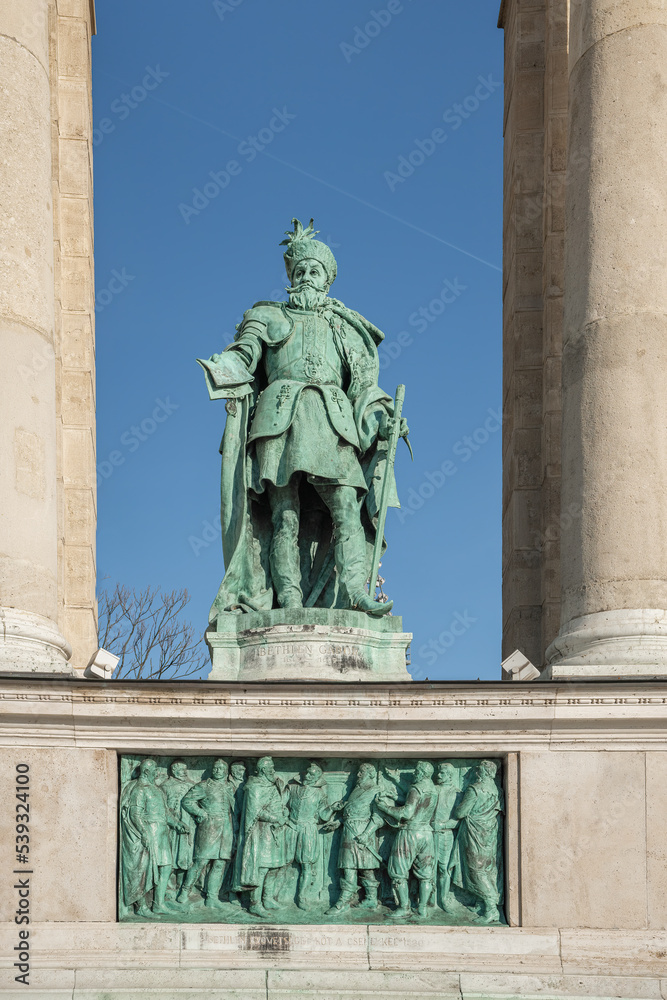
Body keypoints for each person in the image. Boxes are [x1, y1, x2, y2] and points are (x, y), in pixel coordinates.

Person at [200, 217, 409, 621]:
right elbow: (244, 355)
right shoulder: (266, 315)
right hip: (278, 419)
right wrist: (223, 368)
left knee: (347, 505)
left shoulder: (345, 327)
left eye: (315, 272)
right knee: (284, 516)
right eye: (300, 272)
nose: (307, 278)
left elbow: (364, 386)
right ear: (291, 277)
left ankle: (354, 593)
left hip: (334, 422)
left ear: (327, 280)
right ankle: (290, 602)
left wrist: (383, 419)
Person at [120, 758, 187, 916]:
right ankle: (141, 906)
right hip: (149, 832)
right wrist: (143, 833)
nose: (158, 772)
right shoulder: (140, 789)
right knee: (144, 870)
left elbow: (165, 813)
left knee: (166, 867)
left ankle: (159, 904)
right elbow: (135, 814)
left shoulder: (156, 789)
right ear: (146, 772)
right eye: (155, 769)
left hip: (162, 833)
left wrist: (177, 824)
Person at [377, 760, 438, 918]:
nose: (414, 773)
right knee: (426, 874)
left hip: (410, 832)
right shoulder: (433, 789)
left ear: (423, 773)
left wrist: (384, 807)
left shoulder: (415, 788)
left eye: (417, 770)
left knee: (398, 871)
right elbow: (417, 801)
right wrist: (395, 784)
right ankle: (422, 908)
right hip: (426, 833)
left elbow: (407, 813)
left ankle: (404, 908)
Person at [232, 756, 290, 917]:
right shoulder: (254, 787)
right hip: (260, 833)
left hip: (274, 833)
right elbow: (255, 811)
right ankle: (254, 903)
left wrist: (283, 811)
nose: (273, 769)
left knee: (274, 867)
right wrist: (275, 818)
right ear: (263, 770)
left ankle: (268, 898)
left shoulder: (272, 785)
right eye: (270, 767)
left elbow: (277, 804)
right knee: (261, 869)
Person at [177, 759, 236, 909]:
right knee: (201, 862)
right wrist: (200, 812)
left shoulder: (231, 787)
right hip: (209, 828)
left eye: (221, 768)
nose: (218, 771)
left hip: (227, 829)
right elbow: (187, 801)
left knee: (219, 864)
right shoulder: (204, 786)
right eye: (215, 768)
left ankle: (212, 897)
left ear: (226, 771)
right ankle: (185, 891)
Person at [327, 762, 384, 914]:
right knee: (348, 866)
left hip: (363, 833)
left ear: (371, 774)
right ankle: (344, 901)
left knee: (366, 869)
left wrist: (366, 834)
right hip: (349, 832)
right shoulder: (356, 789)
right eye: (358, 772)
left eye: (361, 772)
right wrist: (337, 823)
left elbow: (378, 817)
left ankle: (371, 899)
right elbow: (350, 812)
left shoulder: (375, 790)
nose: (358, 775)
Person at [451, 760, 504, 923]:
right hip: (489, 833)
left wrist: (457, 800)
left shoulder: (475, 789)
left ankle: (491, 908)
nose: (474, 773)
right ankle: (481, 902)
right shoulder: (497, 789)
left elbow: (461, 812)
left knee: (476, 870)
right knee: (487, 868)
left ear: (485, 772)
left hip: (475, 833)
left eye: (478, 770)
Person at [286, 762, 338, 910]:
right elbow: (281, 806)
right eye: (307, 772)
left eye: (312, 775)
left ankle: (302, 897)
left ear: (317, 778)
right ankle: (272, 896)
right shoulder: (292, 788)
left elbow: (323, 815)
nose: (307, 776)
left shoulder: (320, 793)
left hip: (308, 829)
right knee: (281, 862)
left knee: (306, 865)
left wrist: (333, 808)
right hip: (290, 828)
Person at [158, 759, 195, 889]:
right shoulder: (165, 786)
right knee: (170, 855)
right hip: (171, 827)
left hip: (188, 824)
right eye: (181, 770)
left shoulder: (191, 785)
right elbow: (162, 807)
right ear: (173, 771)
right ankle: (167, 885)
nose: (184, 772)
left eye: (186, 770)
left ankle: (180, 886)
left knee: (185, 855)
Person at [431, 763, 459, 912]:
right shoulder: (432, 789)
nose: (438, 776)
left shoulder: (456, 793)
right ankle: (427, 900)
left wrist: (442, 825)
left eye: (442, 773)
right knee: (427, 868)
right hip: (427, 834)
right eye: (438, 773)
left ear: (450, 776)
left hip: (445, 835)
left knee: (443, 869)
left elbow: (458, 819)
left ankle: (443, 900)